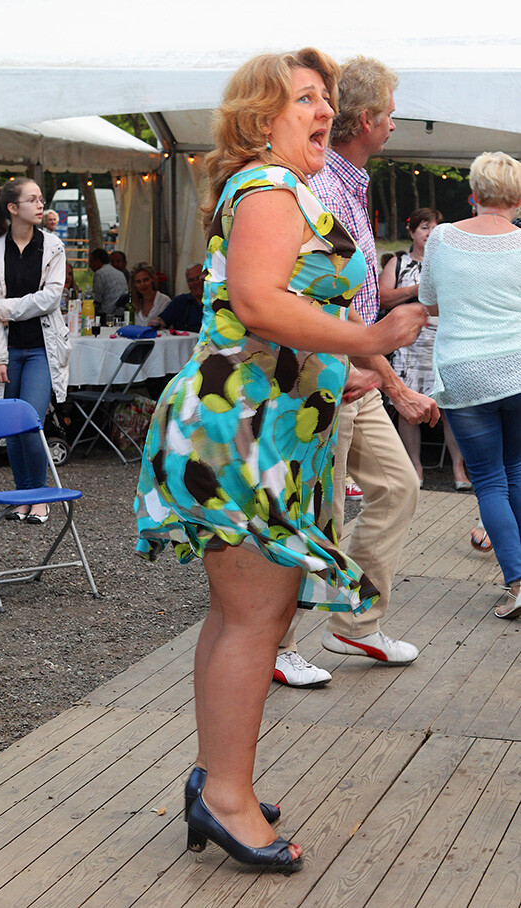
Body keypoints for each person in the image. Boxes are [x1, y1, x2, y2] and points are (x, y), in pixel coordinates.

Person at [134, 48, 426, 871]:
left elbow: (275, 313)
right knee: (253, 620)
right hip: (244, 430)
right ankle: (225, 797)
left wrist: (345, 368)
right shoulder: (268, 187)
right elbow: (259, 303)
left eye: (325, 97)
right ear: (261, 118)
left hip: (260, 428)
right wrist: (369, 336)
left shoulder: (278, 186)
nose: (324, 109)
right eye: (304, 99)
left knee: (240, 616)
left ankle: (216, 780)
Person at [275, 56, 440, 689]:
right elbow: (319, 300)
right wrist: (389, 377)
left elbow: (349, 300)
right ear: (367, 120)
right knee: (318, 513)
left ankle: (355, 622)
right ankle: (277, 643)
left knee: (396, 486)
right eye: (390, 114)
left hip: (353, 366)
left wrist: (383, 371)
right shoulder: (320, 185)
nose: (395, 124)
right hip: (329, 369)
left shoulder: (346, 182)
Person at [419, 151, 521, 619]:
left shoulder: (442, 238)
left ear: (473, 194)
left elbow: (429, 302)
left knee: (489, 480)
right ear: (518, 198)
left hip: (465, 372)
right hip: (518, 369)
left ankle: (517, 581)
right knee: (516, 470)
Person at [0, 178, 69, 523]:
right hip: (6, 351)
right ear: (12, 208)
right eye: (32, 199)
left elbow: (50, 299)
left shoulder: (52, 246)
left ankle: (40, 498)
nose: (40, 205)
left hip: (40, 349)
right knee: (10, 428)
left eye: (40, 199)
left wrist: (2, 308)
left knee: (31, 422)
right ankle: (23, 497)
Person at [379, 207, 471, 490]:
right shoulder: (398, 263)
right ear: (411, 232)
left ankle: (458, 468)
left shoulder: (450, 262)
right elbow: (382, 298)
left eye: (435, 227)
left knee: (448, 406)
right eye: (424, 227)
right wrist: (415, 289)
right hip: (408, 346)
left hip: (443, 342)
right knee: (408, 406)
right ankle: (415, 466)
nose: (430, 233)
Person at [151, 263, 204, 333]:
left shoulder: (216, 301)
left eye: (199, 278)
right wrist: (155, 322)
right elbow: (162, 320)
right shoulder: (180, 302)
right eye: (191, 280)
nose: (196, 283)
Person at [89, 247, 127, 319]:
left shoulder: (99, 273)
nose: (90, 266)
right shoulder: (120, 273)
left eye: (91, 262)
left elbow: (97, 299)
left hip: (107, 315)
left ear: (97, 261)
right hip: (121, 313)